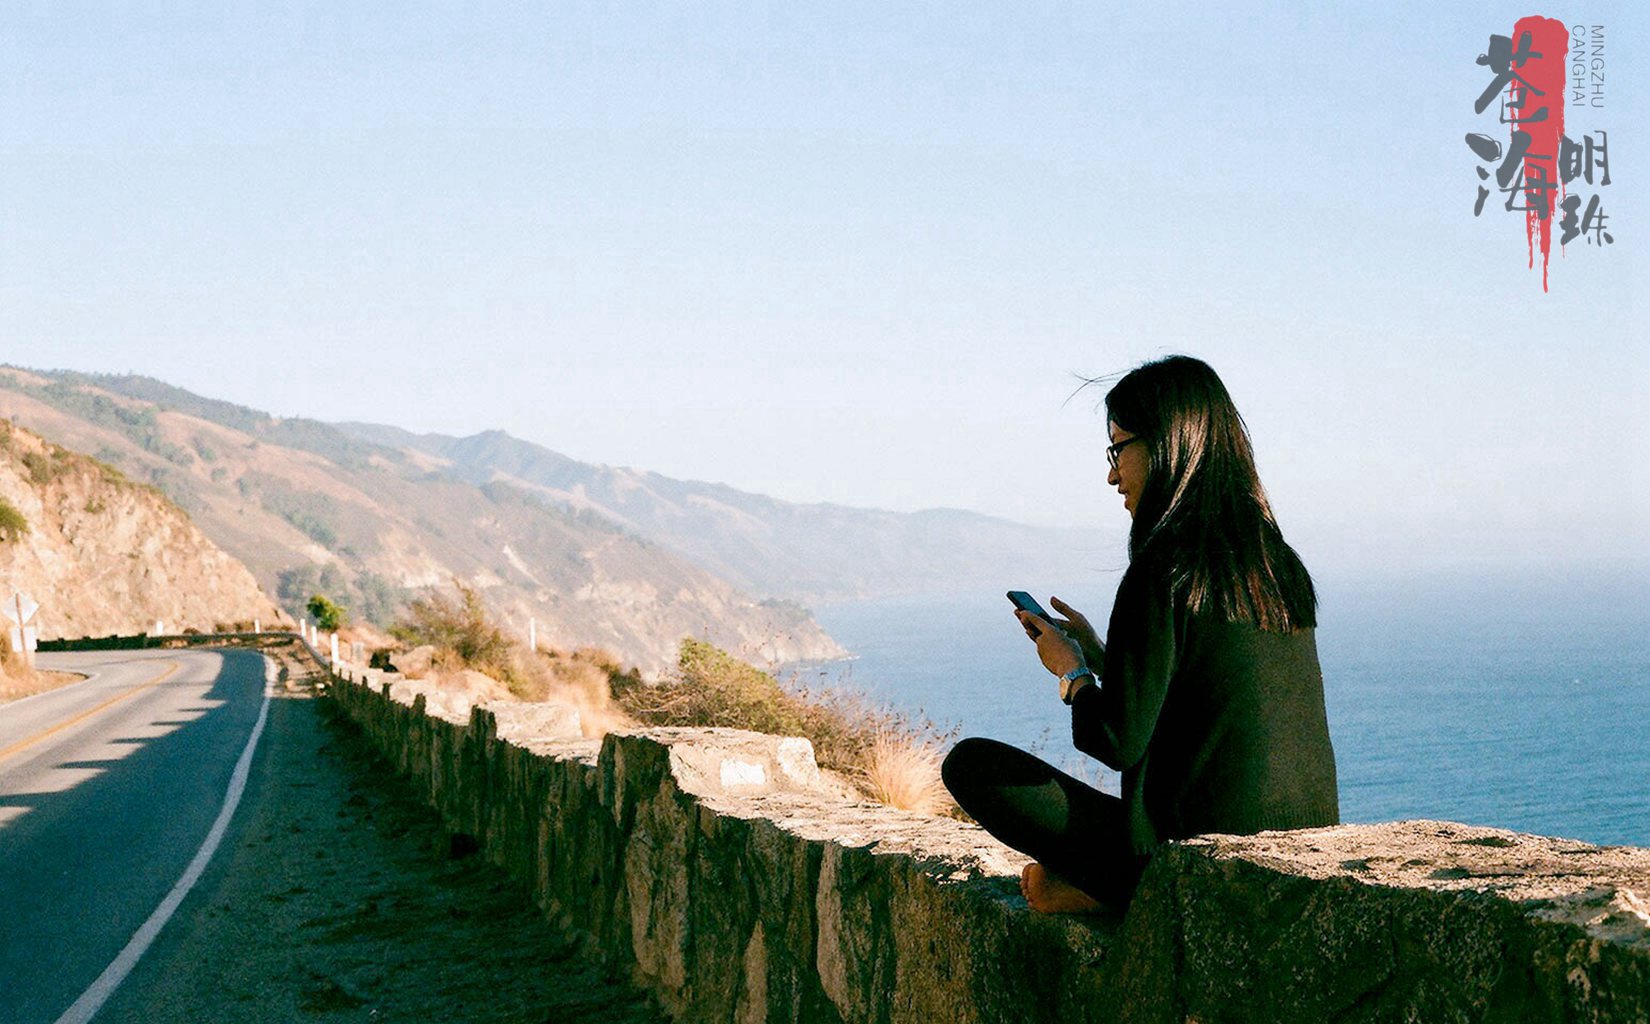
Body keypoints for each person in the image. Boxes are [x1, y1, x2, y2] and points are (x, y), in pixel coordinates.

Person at [941, 355, 1339, 913]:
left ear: (1167, 445)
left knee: (970, 765)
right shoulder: (1273, 562)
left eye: (1117, 448)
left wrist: (1072, 672)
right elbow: (1202, 693)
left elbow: (1117, 741)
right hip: (1309, 843)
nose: (1111, 474)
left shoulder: (1163, 566)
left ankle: (1106, 889)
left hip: (1199, 864)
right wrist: (1105, 657)